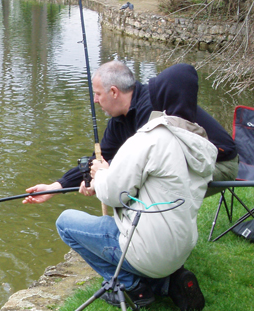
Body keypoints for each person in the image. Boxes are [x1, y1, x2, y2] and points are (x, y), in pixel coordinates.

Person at [55, 64, 218, 311]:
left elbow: (114, 195)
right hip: (182, 247)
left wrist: (100, 176)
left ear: (160, 97)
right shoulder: (199, 143)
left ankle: (134, 287)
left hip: (149, 251)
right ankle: (169, 282)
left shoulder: (149, 138)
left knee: (65, 222)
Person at [22, 60, 238, 204]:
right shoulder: (119, 121)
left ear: (114, 92)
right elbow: (100, 158)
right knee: (130, 186)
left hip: (220, 162)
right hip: (187, 163)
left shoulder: (151, 108)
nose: (95, 100)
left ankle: (158, 256)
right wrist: (55, 187)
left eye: (97, 94)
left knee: (143, 187)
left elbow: (138, 168)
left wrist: (103, 180)